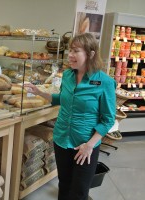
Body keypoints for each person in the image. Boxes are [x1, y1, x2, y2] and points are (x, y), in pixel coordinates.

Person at [25, 33, 116, 200]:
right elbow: (63, 99)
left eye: (76, 51)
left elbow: (108, 119)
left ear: (91, 54)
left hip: (85, 146)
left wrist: (89, 145)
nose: (70, 55)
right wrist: (39, 92)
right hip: (61, 140)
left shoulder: (105, 82)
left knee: (79, 191)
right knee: (64, 185)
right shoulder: (67, 76)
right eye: (70, 51)